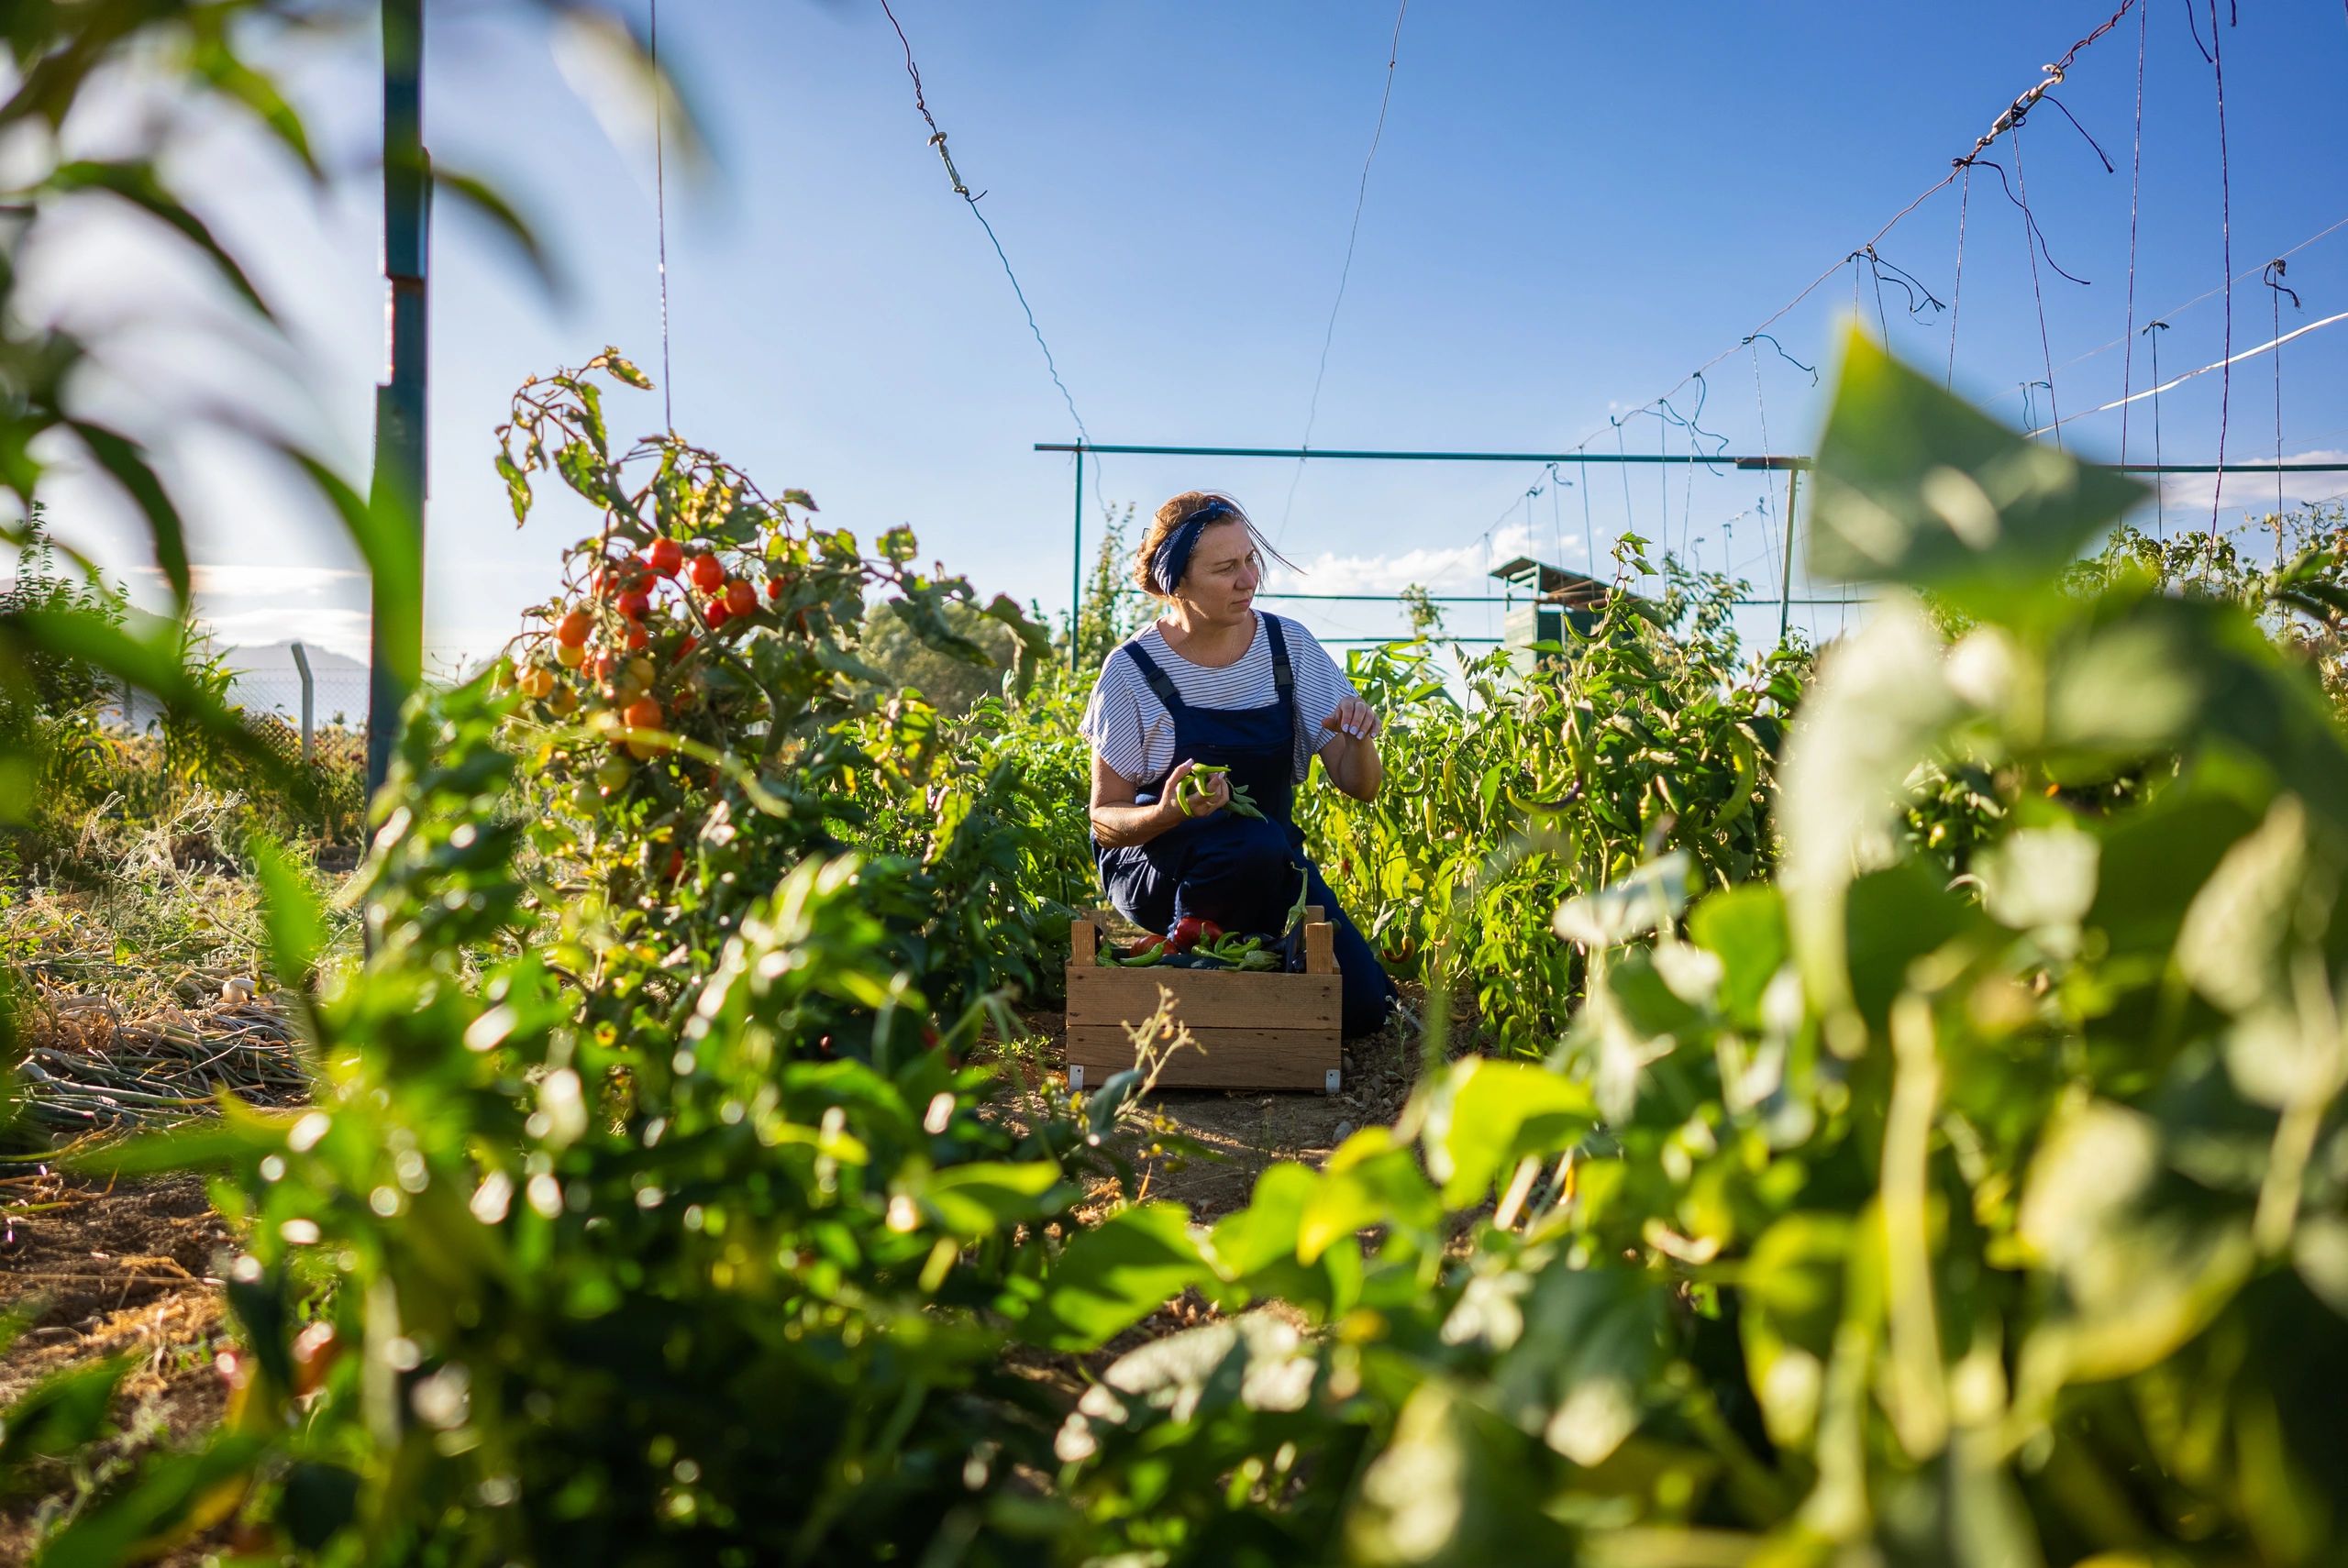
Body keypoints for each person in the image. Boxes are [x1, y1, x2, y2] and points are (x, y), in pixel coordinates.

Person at [1081, 490, 1400, 1038]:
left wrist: (1361, 736)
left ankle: (1256, 961)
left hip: (1269, 859)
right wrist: (1168, 811)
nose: (1248, 579)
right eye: (1226, 567)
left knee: (1367, 1010)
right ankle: (1190, 972)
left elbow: (1359, 785)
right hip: (1160, 871)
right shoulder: (1131, 671)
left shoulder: (1287, 647)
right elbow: (1104, 820)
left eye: (1250, 559)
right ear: (1174, 582)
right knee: (1246, 843)